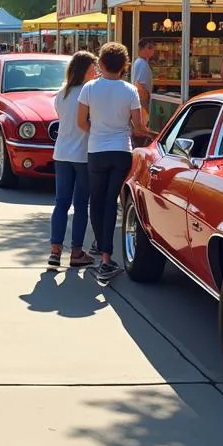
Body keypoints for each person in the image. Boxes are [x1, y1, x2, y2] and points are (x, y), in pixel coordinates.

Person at [77, 42, 149, 286]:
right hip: (121, 151)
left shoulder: (89, 88)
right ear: (125, 65)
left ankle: (101, 247)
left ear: (101, 63)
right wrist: (144, 132)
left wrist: (97, 131)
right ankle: (107, 256)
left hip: (96, 150)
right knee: (111, 203)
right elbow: (138, 127)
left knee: (95, 202)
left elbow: (81, 122)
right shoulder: (130, 90)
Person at [49, 50, 98, 269]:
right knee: (80, 205)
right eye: (93, 67)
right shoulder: (89, 92)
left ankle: (55, 251)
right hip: (83, 154)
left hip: (62, 153)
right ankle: (76, 252)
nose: (96, 71)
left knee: (61, 203)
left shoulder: (63, 93)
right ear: (87, 70)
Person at [131, 38, 155, 131]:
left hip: (140, 103)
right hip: (142, 103)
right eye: (152, 49)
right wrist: (145, 107)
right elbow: (139, 86)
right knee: (143, 131)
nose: (153, 51)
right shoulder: (142, 64)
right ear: (146, 48)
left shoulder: (139, 62)